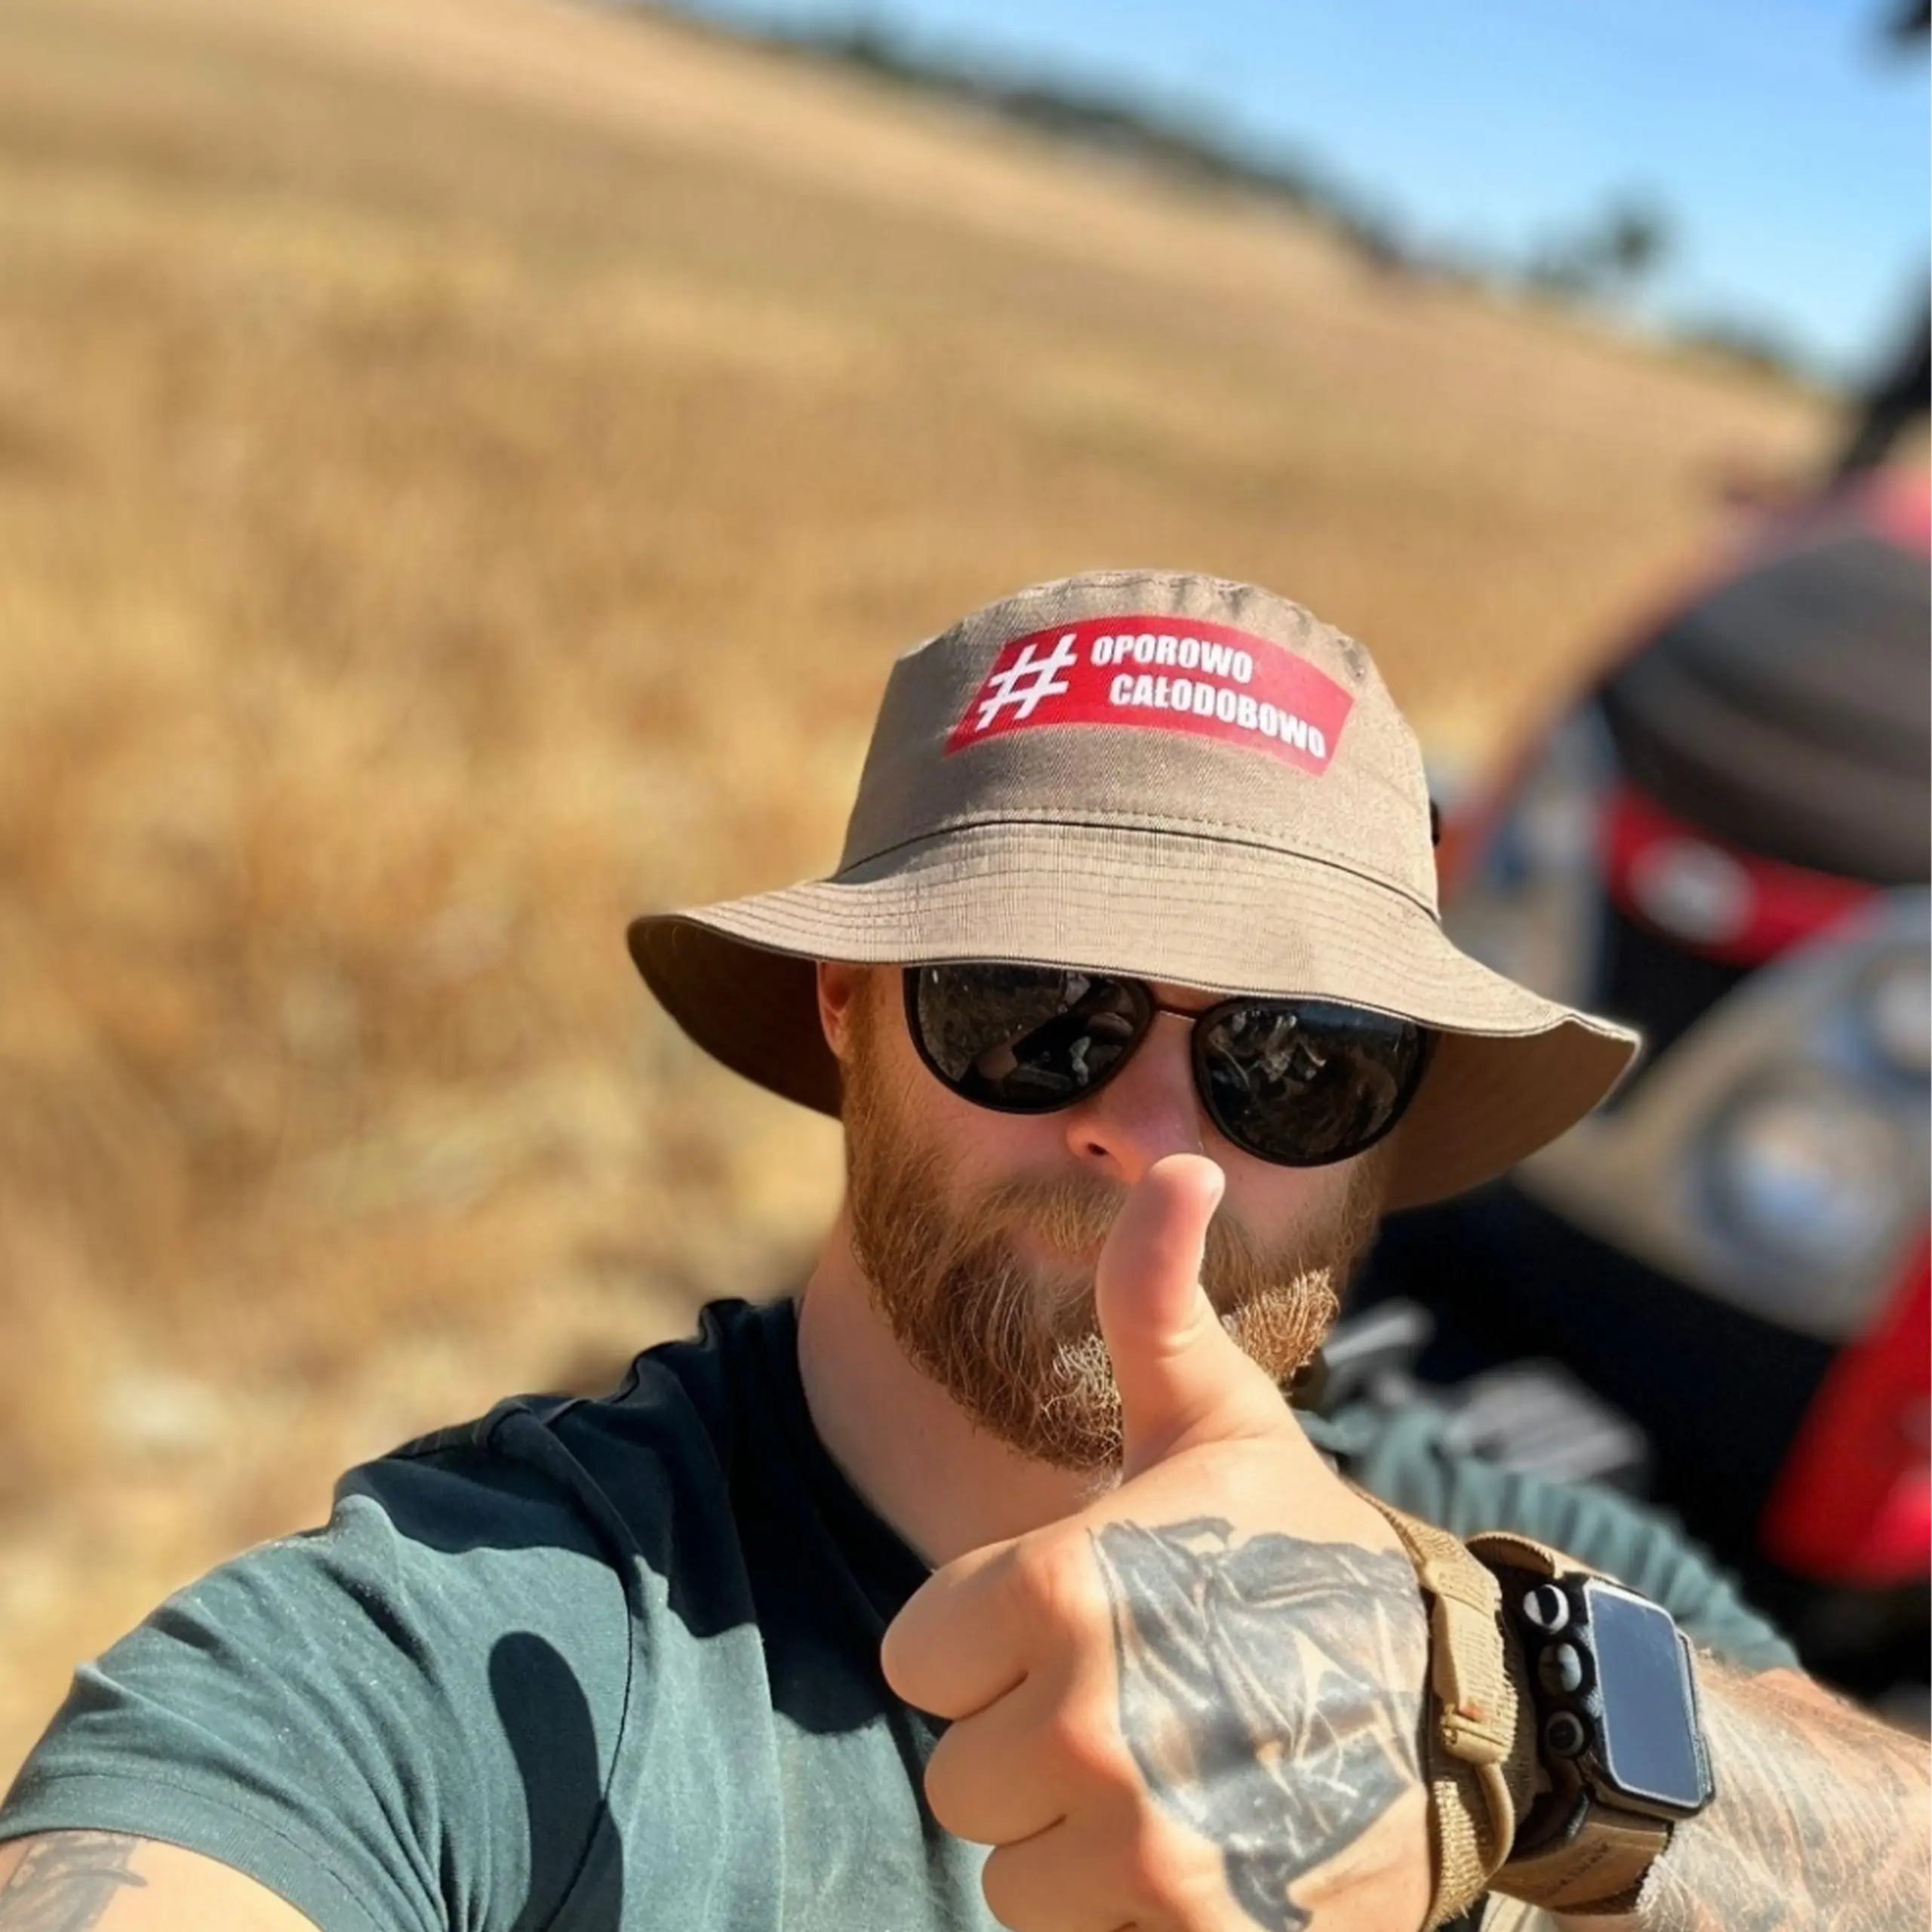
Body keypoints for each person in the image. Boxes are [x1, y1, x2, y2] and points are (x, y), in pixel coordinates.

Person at [0, 571, 1926, 1932]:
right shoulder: (458, 1659)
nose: (1148, 1131)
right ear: (845, 1005)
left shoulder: (1538, 1573)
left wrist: (1489, 1719)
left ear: (1395, 1122)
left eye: (1293, 1059)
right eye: (1033, 1009)